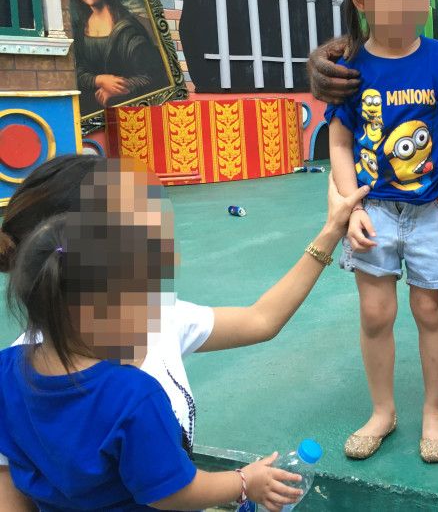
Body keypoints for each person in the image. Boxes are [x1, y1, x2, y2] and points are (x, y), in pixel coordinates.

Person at [0, 160, 330, 511]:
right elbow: (170, 492)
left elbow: (261, 319)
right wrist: (242, 482)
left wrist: (330, 230)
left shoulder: (9, 369)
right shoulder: (134, 395)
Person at [325, 0, 438, 464]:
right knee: (375, 314)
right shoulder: (348, 66)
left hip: (433, 210)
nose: (416, 2)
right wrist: (349, 207)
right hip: (375, 212)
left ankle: (435, 411)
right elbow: (339, 142)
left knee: (431, 310)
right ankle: (383, 411)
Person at [67, 0, 172, 116]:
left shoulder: (127, 28)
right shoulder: (80, 28)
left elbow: (154, 75)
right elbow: (76, 70)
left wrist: (119, 88)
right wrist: (99, 80)